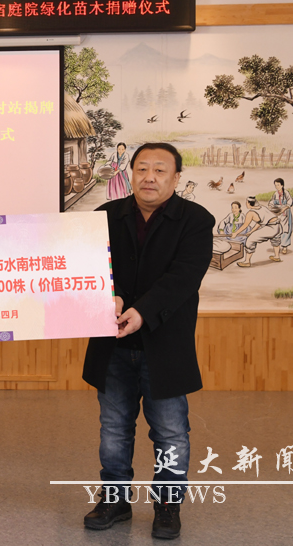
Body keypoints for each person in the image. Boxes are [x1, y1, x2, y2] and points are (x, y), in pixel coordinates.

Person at [83, 143, 214, 540]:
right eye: (142, 168)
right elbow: (93, 266)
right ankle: (115, 500)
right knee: (114, 429)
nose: (149, 177)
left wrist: (141, 311)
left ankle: (168, 506)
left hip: (165, 346)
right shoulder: (105, 216)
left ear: (176, 177)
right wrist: (114, 295)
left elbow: (183, 277)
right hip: (114, 345)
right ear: (131, 173)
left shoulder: (195, 220)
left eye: (160, 170)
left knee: (170, 432)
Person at [232, 197, 286, 267]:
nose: (246, 204)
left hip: (271, 228)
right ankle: (277, 256)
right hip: (278, 226)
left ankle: (247, 261)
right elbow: (260, 223)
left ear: (249, 203)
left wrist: (236, 233)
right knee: (275, 239)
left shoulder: (250, 213)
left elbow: (245, 225)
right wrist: (251, 231)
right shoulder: (262, 207)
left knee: (250, 240)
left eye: (246, 202)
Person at [268, 178, 293, 255]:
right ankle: (277, 246)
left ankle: (285, 247)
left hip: (286, 214)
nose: (277, 187)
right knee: (278, 229)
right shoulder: (275, 194)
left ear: (282, 185)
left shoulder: (286, 193)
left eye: (278, 185)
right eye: (275, 185)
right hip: (278, 213)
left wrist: (284, 208)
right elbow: (272, 202)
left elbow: (290, 202)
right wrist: (270, 207)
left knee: (286, 230)